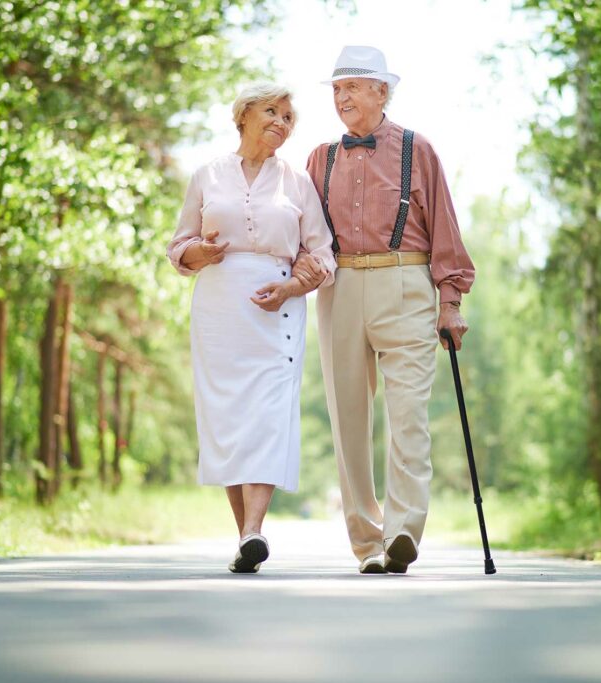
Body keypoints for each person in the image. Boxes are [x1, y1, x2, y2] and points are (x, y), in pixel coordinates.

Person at [297, 46, 475, 574]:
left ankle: (402, 529)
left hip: (407, 280)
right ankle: (366, 543)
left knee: (409, 416)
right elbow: (305, 235)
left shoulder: (418, 150)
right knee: (348, 417)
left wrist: (452, 302)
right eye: (335, 89)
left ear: (381, 91)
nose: (342, 97)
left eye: (352, 86)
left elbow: (445, 227)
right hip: (341, 285)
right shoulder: (318, 158)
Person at [167, 83, 335, 574]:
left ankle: (254, 530)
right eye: (272, 112)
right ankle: (246, 538)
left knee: (267, 413)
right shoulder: (207, 175)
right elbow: (179, 248)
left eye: (288, 117)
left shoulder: (297, 182)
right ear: (243, 116)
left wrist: (291, 287)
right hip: (218, 304)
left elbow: (322, 253)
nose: (281, 122)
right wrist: (202, 252)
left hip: (276, 302)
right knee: (227, 417)